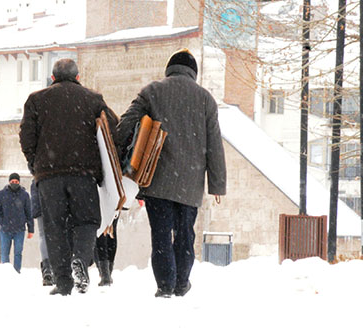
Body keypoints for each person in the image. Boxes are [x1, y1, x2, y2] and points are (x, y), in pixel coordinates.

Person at [116, 49, 226, 298]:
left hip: (158, 180)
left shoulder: (152, 91)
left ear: (169, 68)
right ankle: (181, 283)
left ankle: (165, 285)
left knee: (161, 234)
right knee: (186, 233)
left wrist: (116, 154)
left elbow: (126, 123)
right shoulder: (206, 99)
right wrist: (217, 184)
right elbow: (215, 144)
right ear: (193, 73)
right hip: (191, 181)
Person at [19, 58, 118, 295]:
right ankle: (81, 261)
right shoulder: (93, 99)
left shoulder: (36, 99)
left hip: (49, 175)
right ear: (78, 77)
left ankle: (63, 282)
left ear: (52, 78)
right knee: (86, 221)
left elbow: (26, 135)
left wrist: (35, 164)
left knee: (55, 227)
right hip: (83, 174)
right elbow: (112, 128)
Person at [0, 173, 34, 273]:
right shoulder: (2, 194)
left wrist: (31, 229)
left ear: (19, 182)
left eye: (16, 182)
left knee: (18, 253)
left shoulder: (24, 195)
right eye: (12, 181)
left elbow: (29, 212)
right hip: (5, 230)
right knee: (4, 253)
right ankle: (6, 273)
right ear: (9, 182)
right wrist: (2, 222)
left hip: (20, 230)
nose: (14, 183)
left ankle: (16, 272)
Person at [30, 180, 54, 286]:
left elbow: (34, 200)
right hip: (54, 209)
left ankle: (47, 268)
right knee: (56, 237)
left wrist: (37, 211)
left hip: (41, 210)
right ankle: (54, 268)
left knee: (43, 236)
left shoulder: (36, 181)